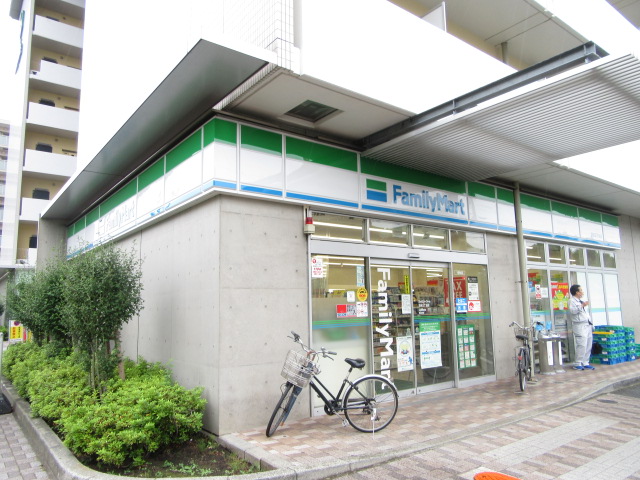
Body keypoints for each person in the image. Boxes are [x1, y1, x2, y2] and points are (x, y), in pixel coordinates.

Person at [569, 284, 595, 370]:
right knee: (582, 344)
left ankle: (585, 362)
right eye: (581, 290)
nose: (582, 292)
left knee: (588, 344)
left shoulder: (580, 301)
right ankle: (577, 362)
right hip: (579, 325)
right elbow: (573, 311)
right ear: (577, 292)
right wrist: (582, 306)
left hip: (587, 325)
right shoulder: (572, 301)